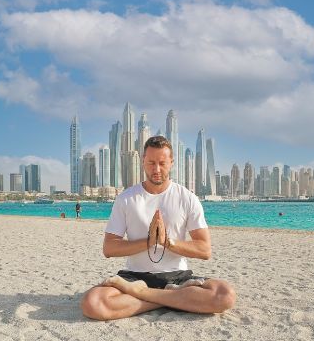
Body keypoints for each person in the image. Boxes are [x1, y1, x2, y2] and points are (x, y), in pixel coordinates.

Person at [80, 135, 236, 321]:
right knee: (93, 303)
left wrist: (167, 242)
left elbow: (204, 250)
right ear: (143, 161)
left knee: (225, 295)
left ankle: (142, 294)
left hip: (177, 278)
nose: (157, 169)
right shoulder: (126, 199)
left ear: (171, 162)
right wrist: (149, 242)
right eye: (151, 162)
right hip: (135, 276)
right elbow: (109, 248)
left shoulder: (187, 198)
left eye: (162, 163)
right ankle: (173, 299)